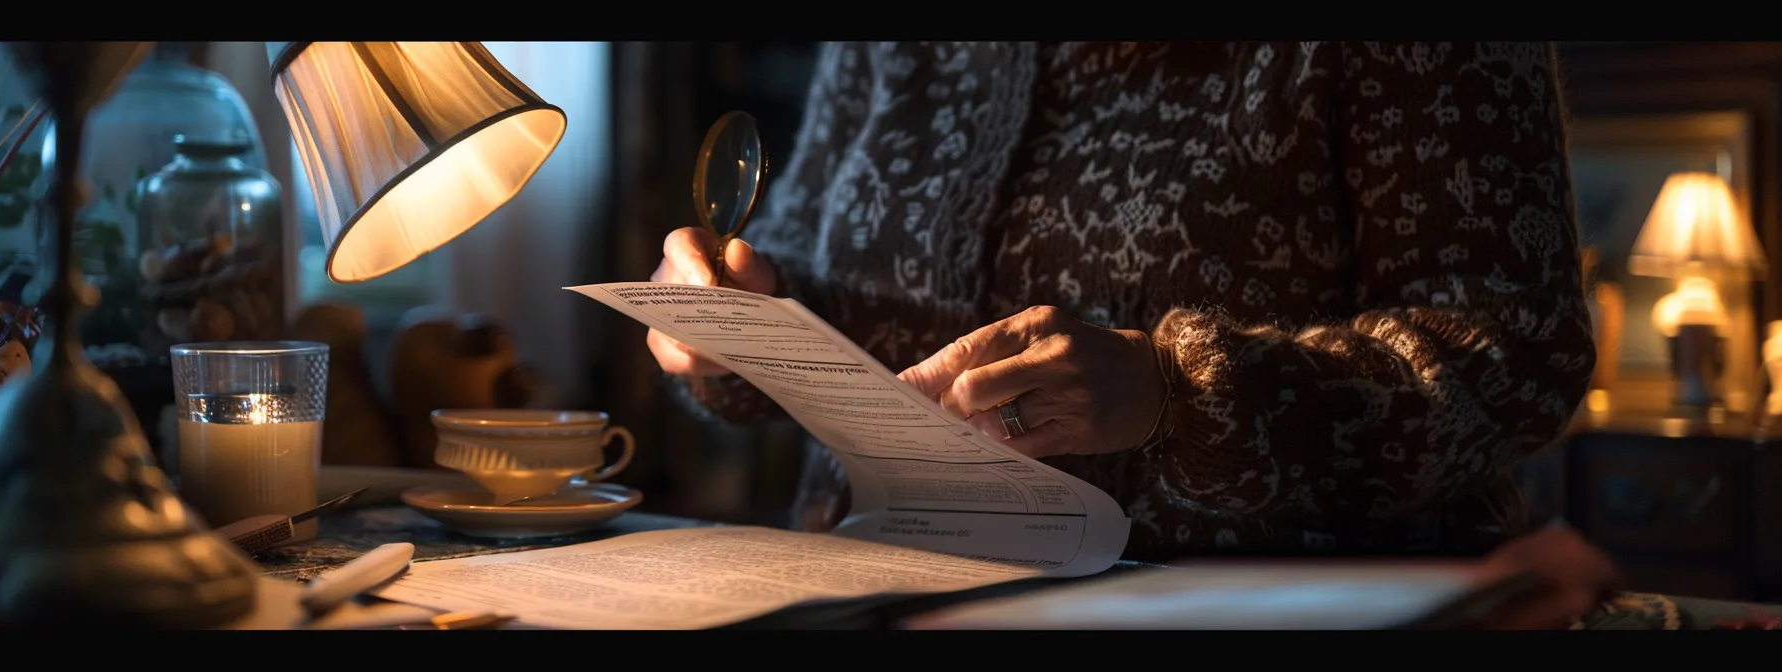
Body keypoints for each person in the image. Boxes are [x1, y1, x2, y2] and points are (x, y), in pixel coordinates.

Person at [652, 41, 1594, 559]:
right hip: (868, 582)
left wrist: (1178, 393)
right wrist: (741, 321)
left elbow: (1520, 352)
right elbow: (819, 284)